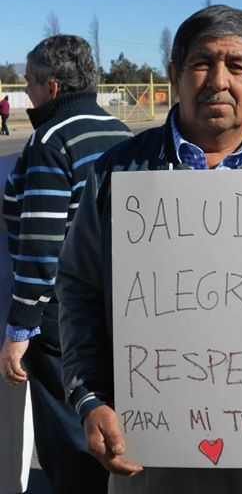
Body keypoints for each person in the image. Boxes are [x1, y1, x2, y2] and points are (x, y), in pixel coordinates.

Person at [55, 5, 242, 493]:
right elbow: (79, 289)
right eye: (202, 63)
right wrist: (90, 397)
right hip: (145, 452)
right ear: (174, 75)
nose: (218, 80)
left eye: (236, 66)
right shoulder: (116, 174)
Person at [0, 35, 133, 493]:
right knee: (105, 421)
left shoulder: (51, 140)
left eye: (30, 85)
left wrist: (19, 331)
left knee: (68, 434)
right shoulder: (119, 130)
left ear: (52, 88)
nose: (27, 93)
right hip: (117, 301)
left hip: (63, 316)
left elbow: (41, 245)